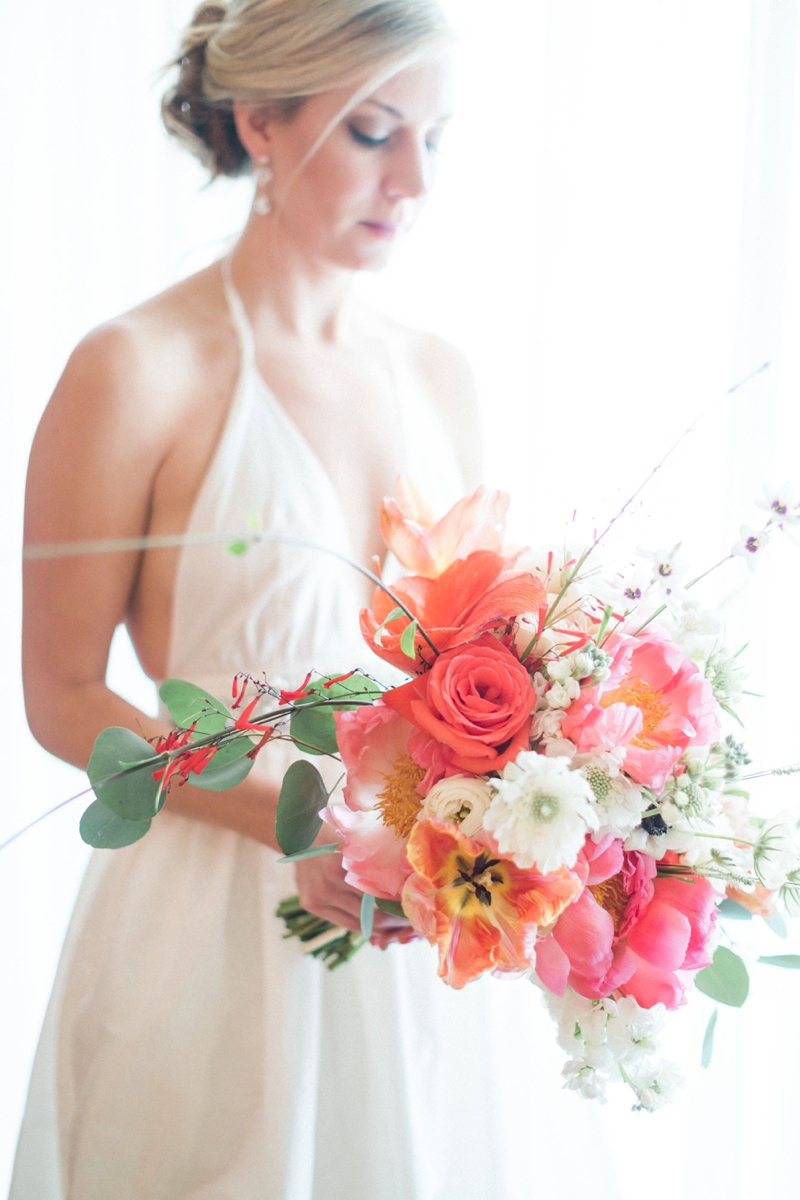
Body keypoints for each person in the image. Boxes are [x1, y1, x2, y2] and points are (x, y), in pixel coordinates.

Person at [14, 2, 620, 1196]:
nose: (413, 181)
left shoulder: (441, 377)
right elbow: (60, 695)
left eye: (434, 139)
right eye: (374, 132)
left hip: (419, 933)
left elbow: (482, 667)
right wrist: (294, 829)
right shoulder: (135, 369)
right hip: (204, 932)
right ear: (261, 123)